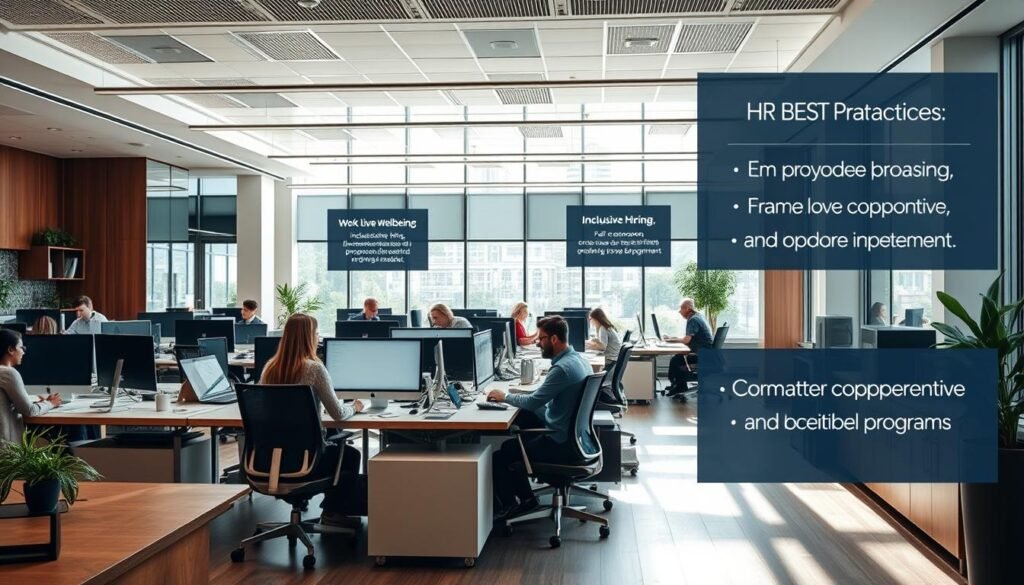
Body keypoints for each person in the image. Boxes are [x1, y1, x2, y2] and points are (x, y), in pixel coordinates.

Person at [259, 313, 364, 526]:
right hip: (308, 458)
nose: (318, 337)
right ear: (309, 337)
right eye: (316, 333)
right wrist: (355, 405)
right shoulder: (314, 369)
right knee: (351, 455)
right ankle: (332, 512)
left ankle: (321, 508)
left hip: (270, 458)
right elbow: (338, 414)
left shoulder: (270, 367)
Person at [486, 316, 594, 517]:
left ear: (554, 339)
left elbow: (534, 403)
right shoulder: (578, 360)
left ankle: (520, 503)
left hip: (560, 444)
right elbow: (539, 400)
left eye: (541, 339)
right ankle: (522, 498)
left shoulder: (561, 369)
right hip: (577, 438)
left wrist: (505, 397)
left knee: (503, 455)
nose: (538, 343)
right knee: (524, 418)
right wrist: (522, 396)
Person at [0, 329, 61, 443]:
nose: (23, 352)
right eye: (21, 348)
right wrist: (51, 403)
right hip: (7, 450)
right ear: (10, 350)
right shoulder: (8, 373)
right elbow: (30, 410)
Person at [665, 299, 714, 398]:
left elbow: (686, 340)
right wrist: (672, 338)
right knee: (677, 358)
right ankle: (676, 384)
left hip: (701, 354)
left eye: (681, 308)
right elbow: (688, 338)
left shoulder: (693, 320)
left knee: (676, 360)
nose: (679, 311)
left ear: (688, 309)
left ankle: (680, 386)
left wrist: (670, 341)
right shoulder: (697, 316)